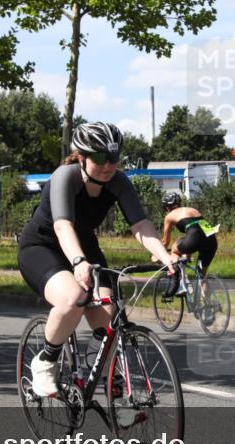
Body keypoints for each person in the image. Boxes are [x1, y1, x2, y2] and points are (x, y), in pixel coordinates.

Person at [18, 121, 176, 397]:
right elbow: (62, 226)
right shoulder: (65, 176)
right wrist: (78, 262)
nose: (108, 165)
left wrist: (166, 258)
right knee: (73, 297)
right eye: (100, 158)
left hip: (84, 246)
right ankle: (45, 362)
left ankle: (100, 366)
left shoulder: (118, 181)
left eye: (114, 158)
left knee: (109, 313)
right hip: (43, 247)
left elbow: (140, 225)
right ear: (81, 157)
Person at [159, 192, 219, 299]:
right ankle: (208, 305)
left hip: (195, 237)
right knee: (202, 275)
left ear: (167, 208)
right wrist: (187, 253)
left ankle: (182, 283)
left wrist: (157, 254)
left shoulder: (169, 216)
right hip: (211, 239)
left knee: (174, 249)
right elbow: (200, 232)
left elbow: (165, 242)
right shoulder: (192, 210)